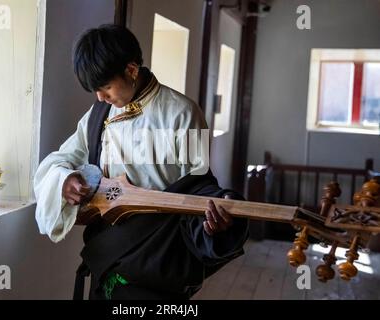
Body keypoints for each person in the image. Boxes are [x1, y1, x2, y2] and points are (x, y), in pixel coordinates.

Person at [34, 24, 249, 300]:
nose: (100, 97)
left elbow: (199, 184)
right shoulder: (99, 114)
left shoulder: (182, 113)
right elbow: (62, 159)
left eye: (106, 87)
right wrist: (64, 180)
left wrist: (212, 223)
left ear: (132, 70)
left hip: (160, 258)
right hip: (110, 253)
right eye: (95, 90)